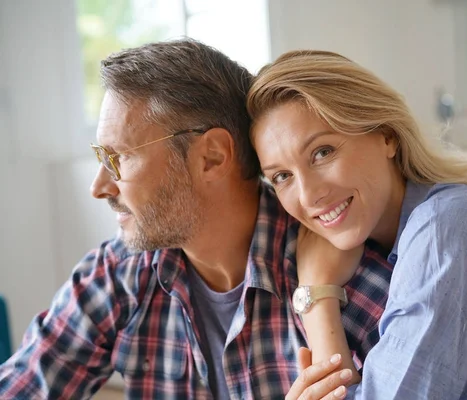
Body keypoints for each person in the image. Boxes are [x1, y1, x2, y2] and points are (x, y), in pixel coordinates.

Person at [0, 40, 395, 399]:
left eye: (117, 158)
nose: (99, 187)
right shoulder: (116, 276)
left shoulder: (350, 282)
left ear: (212, 157)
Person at [247, 50, 467, 399]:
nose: (308, 196)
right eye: (281, 176)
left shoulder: (442, 232)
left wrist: (317, 294)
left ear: (386, 135)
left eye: (322, 152)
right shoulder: (397, 243)